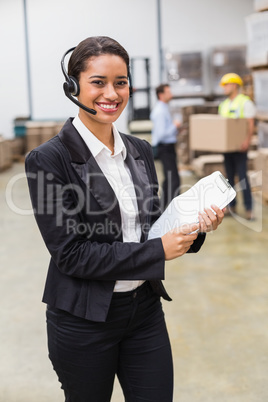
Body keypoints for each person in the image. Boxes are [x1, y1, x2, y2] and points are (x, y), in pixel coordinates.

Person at [25, 36, 225, 402]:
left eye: (121, 82)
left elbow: (150, 228)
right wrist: (157, 251)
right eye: (98, 82)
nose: (112, 94)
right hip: (85, 320)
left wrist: (196, 226)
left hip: (144, 311)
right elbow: (72, 254)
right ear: (73, 87)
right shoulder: (48, 159)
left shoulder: (140, 150)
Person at [218, 73, 256, 220]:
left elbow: (250, 123)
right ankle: (231, 206)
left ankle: (249, 209)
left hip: (240, 148)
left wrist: (247, 141)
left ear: (234, 85)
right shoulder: (224, 104)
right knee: (228, 178)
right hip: (227, 149)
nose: (224, 89)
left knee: (242, 177)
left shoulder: (244, 102)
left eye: (226, 85)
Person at [150, 83, 181, 209]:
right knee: (173, 180)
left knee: (169, 179)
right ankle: (174, 209)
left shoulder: (163, 108)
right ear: (161, 95)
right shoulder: (160, 111)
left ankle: (163, 207)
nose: (171, 94)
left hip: (168, 147)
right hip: (165, 147)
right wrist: (175, 126)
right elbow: (162, 134)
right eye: (168, 92)